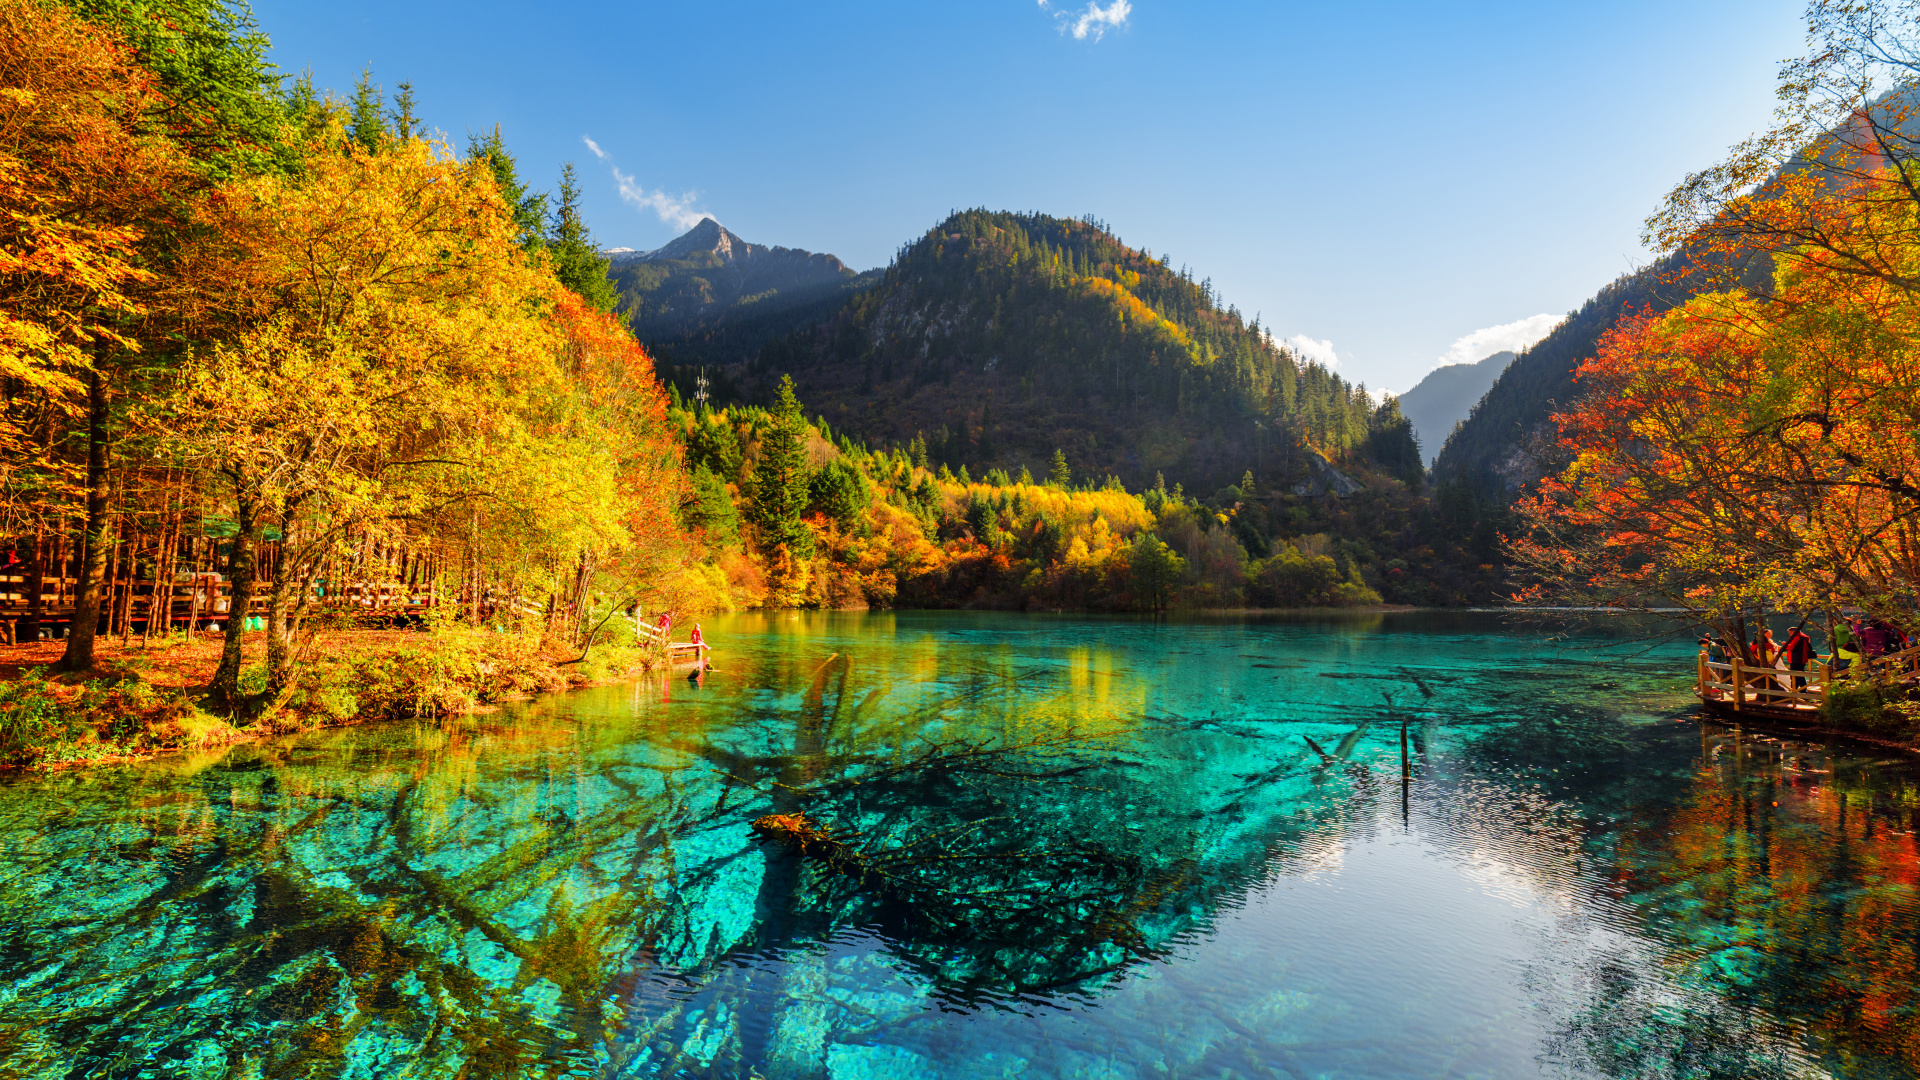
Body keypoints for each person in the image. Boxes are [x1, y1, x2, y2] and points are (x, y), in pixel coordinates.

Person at [1783, 624, 1813, 691]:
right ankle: (1801, 691)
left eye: (1790, 633)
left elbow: (1791, 647)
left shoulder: (1797, 638)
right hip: (1802, 659)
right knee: (1800, 676)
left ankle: (1795, 690)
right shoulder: (1804, 638)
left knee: (1795, 676)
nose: (1790, 634)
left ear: (1794, 632)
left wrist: (1785, 645)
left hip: (1796, 659)